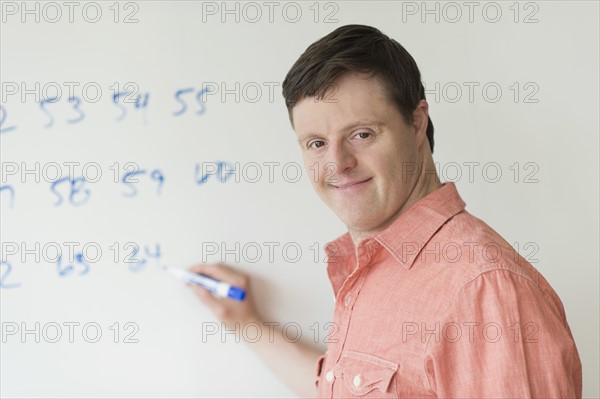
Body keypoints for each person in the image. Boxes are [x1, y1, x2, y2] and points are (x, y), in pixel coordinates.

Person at [189, 25, 582, 398]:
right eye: (316, 143)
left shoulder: (484, 291)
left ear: (415, 123)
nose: (337, 163)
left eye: (361, 134)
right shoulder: (378, 267)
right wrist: (246, 323)